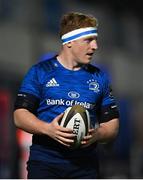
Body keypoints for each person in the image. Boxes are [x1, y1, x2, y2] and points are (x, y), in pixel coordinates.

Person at [13, 12, 120, 179]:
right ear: (69, 41)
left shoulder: (100, 78)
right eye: (88, 40)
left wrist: (97, 134)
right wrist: (48, 129)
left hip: (85, 168)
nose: (95, 46)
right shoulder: (40, 72)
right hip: (45, 164)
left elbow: (112, 124)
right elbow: (19, 116)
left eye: (95, 40)